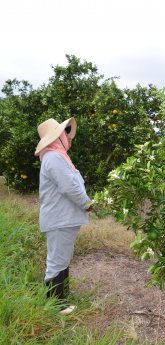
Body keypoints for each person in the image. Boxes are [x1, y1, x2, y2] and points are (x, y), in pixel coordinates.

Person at [35, 117, 92, 315]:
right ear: (57, 137)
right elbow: (70, 187)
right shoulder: (54, 158)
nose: (68, 135)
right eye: (65, 132)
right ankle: (56, 305)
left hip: (63, 218)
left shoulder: (57, 157)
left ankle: (61, 297)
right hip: (60, 218)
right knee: (57, 260)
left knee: (62, 258)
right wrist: (87, 204)